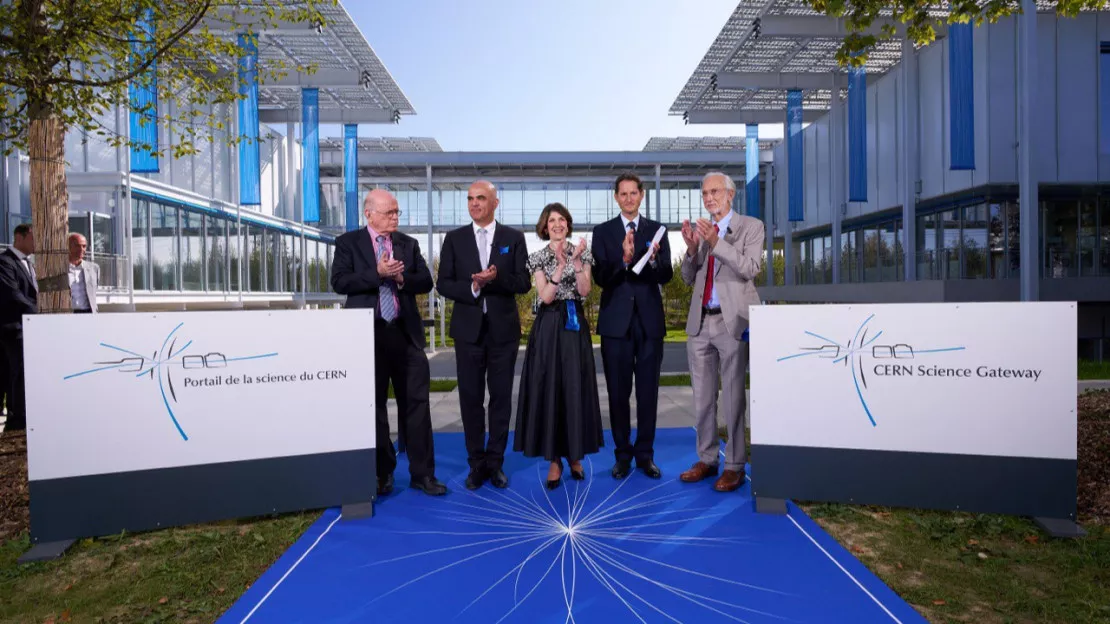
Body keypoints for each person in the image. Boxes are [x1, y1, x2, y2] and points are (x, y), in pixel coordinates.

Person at [331, 189, 447, 497]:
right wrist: (377, 273)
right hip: (367, 336)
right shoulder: (348, 243)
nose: (395, 217)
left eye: (397, 212)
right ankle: (382, 473)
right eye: (389, 212)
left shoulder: (408, 244)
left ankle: (423, 474)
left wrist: (400, 279)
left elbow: (426, 281)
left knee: (418, 405)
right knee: (375, 406)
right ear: (369, 214)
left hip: (405, 335)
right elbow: (339, 281)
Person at [435, 181, 529, 490]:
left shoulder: (513, 238)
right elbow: (443, 283)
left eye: (481, 198)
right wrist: (474, 287)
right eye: (470, 199)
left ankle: (495, 463)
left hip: (503, 332)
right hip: (468, 333)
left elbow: (523, 282)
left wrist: (496, 278)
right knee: (470, 399)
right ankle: (476, 464)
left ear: (495, 203)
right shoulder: (454, 239)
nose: (474, 203)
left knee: (500, 399)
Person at [678, 172, 764, 492]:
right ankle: (707, 458)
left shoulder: (751, 227)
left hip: (733, 323)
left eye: (714, 191)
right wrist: (691, 250)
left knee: (733, 398)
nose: (709, 198)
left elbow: (750, 268)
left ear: (730, 194)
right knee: (702, 399)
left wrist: (716, 243)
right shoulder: (703, 232)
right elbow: (688, 278)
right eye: (704, 193)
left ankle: (735, 465)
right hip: (700, 323)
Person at [514, 203, 603, 489]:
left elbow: (585, 290)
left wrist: (575, 262)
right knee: (551, 388)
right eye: (552, 220)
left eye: (562, 219)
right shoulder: (538, 257)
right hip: (549, 326)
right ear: (544, 226)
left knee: (574, 388)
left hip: (574, 326)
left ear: (568, 223)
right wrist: (561, 266)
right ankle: (554, 460)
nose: (557, 224)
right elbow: (546, 296)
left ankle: (575, 456)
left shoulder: (583, 253)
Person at [590, 172, 672, 480]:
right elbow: (600, 278)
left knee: (648, 393)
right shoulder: (602, 232)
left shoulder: (657, 231)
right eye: (622, 194)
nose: (628, 198)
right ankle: (622, 455)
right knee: (618, 393)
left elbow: (666, 274)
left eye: (633, 193)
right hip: (615, 325)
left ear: (641, 195)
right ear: (616, 197)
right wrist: (623, 260)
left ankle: (645, 455)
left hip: (650, 324)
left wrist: (652, 260)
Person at [0, 224, 38, 433]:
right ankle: (16, 422)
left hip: (30, 329)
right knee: (18, 374)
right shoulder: (5, 262)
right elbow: (13, 295)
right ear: (19, 237)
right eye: (33, 237)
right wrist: (39, 312)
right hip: (14, 329)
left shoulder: (30, 264)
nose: (37, 243)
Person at [67, 233, 99, 313]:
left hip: (88, 313)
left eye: (84, 246)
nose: (81, 249)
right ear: (68, 247)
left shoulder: (94, 268)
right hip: (68, 313)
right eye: (77, 246)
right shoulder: (61, 269)